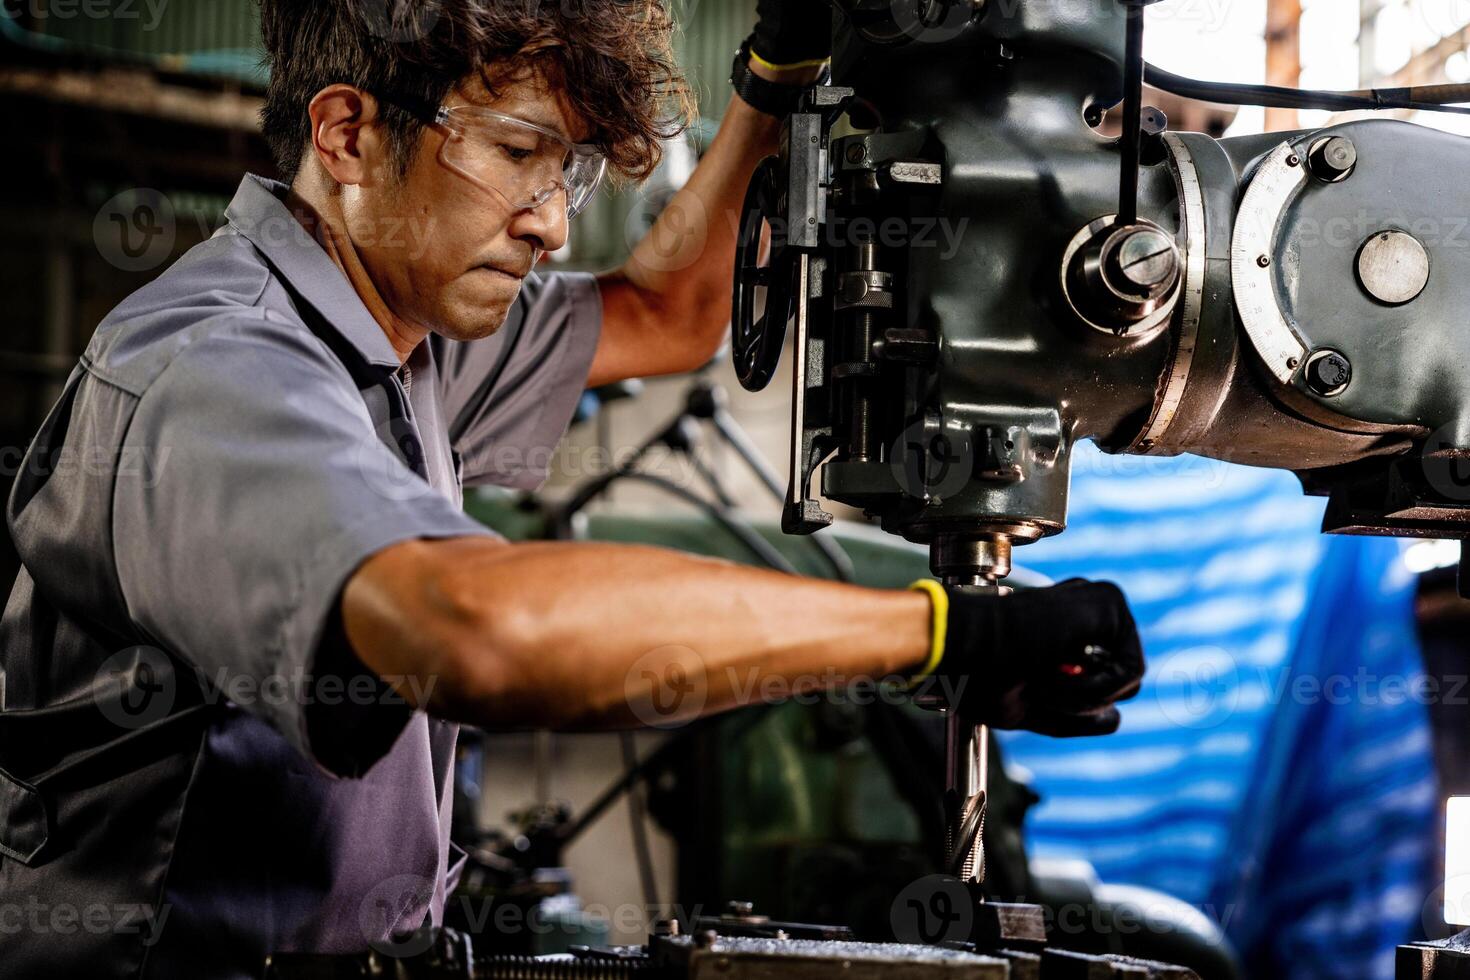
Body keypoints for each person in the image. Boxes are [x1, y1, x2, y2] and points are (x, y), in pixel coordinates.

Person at [0, 2, 1144, 976]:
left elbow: (671, 311)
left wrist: (777, 75)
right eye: (514, 153)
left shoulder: (412, 331)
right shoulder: (213, 369)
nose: (552, 223)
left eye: (572, 174)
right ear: (347, 133)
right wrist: (937, 632)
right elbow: (474, 628)